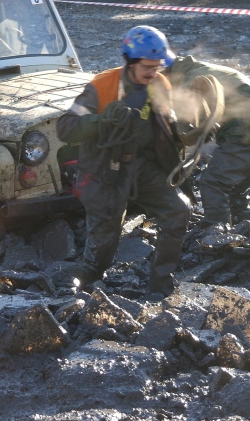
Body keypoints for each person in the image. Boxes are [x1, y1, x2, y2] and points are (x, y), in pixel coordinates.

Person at [57, 25, 191, 297]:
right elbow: (66, 128)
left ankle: (161, 287)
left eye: (158, 66)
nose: (153, 72)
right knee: (104, 240)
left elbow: (168, 124)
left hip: (143, 167)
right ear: (130, 61)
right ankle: (83, 287)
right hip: (104, 171)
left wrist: (190, 131)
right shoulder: (102, 87)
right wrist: (101, 121)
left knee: (178, 210)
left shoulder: (159, 84)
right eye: (148, 67)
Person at [165, 56, 250, 228]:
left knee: (213, 182)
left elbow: (189, 128)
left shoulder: (188, 82)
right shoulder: (200, 68)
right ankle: (243, 228)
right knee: (235, 187)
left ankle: (216, 231)